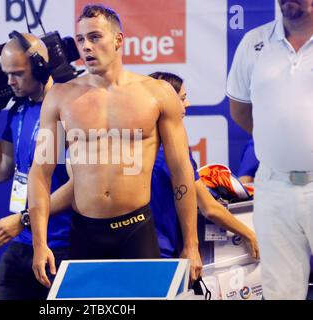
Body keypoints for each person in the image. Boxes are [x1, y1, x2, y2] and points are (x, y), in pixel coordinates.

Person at [28, 4, 202, 289]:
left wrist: (191, 245)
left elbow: (182, 171)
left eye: (95, 37)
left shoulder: (156, 94)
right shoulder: (60, 98)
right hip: (84, 233)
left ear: (118, 40)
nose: (86, 47)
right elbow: (40, 172)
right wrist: (39, 242)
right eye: (81, 39)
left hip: (137, 231)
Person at [0, 33, 73, 300]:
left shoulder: (70, 111)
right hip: (22, 243)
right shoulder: (19, 110)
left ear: (41, 69)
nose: (10, 81)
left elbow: (79, 185)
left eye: (18, 74)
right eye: (6, 74)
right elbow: (1, 169)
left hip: (63, 245)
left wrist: (23, 220)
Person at [227, 0, 313, 299]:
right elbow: (239, 109)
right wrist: (281, 143)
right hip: (274, 186)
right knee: (280, 292)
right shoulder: (254, 43)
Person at [149, 72, 259, 260]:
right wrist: (250, 234)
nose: (187, 104)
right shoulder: (173, 154)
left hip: (136, 250)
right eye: (182, 99)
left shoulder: (135, 149)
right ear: (167, 103)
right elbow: (209, 208)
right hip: (166, 256)